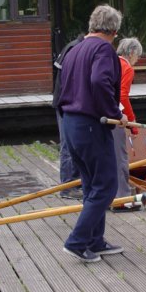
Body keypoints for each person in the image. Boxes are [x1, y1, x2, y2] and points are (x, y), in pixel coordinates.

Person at [56, 4, 127, 263]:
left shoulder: (74, 49)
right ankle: (77, 241)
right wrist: (115, 114)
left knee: (91, 184)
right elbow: (99, 82)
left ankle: (95, 241)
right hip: (90, 124)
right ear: (114, 30)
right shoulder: (103, 49)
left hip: (70, 123)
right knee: (107, 185)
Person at [52, 32, 84, 198]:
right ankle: (67, 187)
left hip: (65, 102)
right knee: (67, 146)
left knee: (73, 145)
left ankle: (75, 183)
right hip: (65, 104)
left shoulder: (71, 46)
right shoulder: (75, 49)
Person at [114, 37, 143, 198]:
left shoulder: (111, 61)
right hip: (115, 116)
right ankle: (122, 198)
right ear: (131, 52)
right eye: (137, 56)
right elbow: (122, 96)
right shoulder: (126, 67)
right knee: (120, 158)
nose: (137, 60)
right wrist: (133, 122)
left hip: (98, 114)